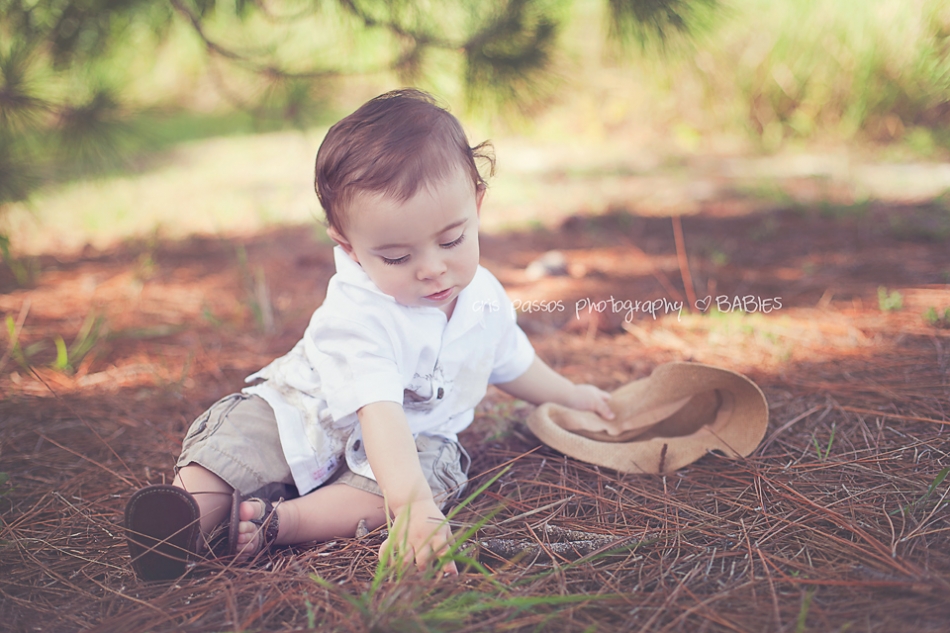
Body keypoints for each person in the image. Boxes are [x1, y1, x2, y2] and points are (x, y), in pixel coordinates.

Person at [125, 89, 614, 580]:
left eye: (452, 240)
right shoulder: (358, 313)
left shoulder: (483, 296)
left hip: (410, 442)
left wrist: (572, 395)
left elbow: (511, 360)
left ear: (478, 205)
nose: (432, 268)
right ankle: (184, 517)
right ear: (350, 247)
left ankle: (281, 522)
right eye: (397, 257)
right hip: (307, 412)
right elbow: (377, 411)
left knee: (427, 472)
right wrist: (413, 505)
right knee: (242, 437)